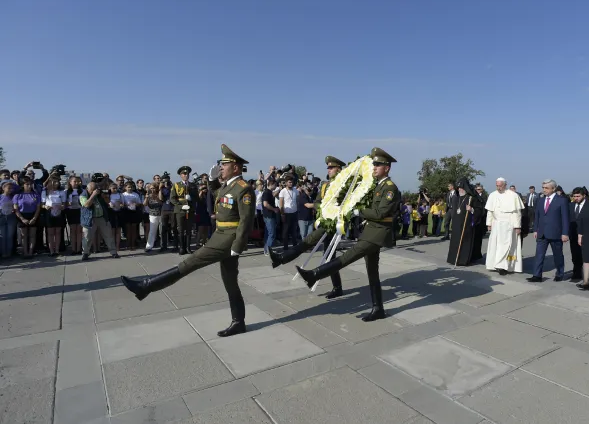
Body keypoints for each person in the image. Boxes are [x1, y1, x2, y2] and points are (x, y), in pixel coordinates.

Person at [121, 144, 255, 337]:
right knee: (230, 282)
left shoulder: (244, 188)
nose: (221, 167)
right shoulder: (228, 186)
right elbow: (216, 192)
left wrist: (238, 245)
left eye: (224, 165)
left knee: (190, 262)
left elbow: (246, 220)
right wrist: (211, 180)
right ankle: (239, 322)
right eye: (221, 164)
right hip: (221, 234)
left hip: (228, 238)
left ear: (235, 167)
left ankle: (146, 286)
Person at [295, 148, 399, 321]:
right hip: (371, 230)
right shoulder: (379, 186)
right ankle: (378, 308)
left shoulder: (390, 188)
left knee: (350, 256)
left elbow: (380, 213)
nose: (374, 167)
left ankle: (315, 275)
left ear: (387, 168)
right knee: (372, 272)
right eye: (374, 164)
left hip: (378, 233)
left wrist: (359, 211)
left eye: (378, 165)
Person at [270, 156, 347, 299]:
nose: (329, 170)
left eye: (331, 167)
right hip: (325, 221)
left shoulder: (344, 185)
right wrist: (324, 207)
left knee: (313, 244)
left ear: (339, 169)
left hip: (336, 224)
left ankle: (282, 258)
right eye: (328, 168)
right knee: (329, 256)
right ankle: (337, 287)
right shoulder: (325, 185)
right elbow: (317, 202)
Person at [530, 179, 570, 282]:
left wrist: (565, 233)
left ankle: (560, 274)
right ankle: (537, 275)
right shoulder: (540, 200)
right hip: (542, 232)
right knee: (539, 255)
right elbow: (537, 216)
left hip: (556, 233)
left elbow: (565, 218)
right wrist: (535, 229)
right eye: (543, 188)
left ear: (553, 188)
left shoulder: (562, 200)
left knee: (557, 255)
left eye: (546, 188)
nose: (544, 190)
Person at [485, 177, 524, 275]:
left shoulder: (513, 195)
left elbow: (517, 213)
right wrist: (489, 224)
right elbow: (490, 211)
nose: (498, 188)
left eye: (500, 186)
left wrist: (517, 226)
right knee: (495, 246)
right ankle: (494, 264)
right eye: (497, 186)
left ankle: (504, 266)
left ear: (505, 185)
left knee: (507, 246)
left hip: (509, 224)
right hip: (496, 224)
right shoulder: (492, 195)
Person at [446, 178, 483, 267]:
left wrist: (471, 209)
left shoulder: (471, 198)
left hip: (467, 224)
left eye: (461, 188)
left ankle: (463, 260)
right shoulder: (456, 198)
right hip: (456, 225)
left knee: (465, 242)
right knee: (455, 241)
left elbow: (480, 210)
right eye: (458, 188)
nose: (459, 189)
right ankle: (453, 258)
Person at [80, 181, 120, 261]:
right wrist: (93, 195)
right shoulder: (83, 195)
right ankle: (85, 253)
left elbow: (107, 202)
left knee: (108, 235)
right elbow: (86, 205)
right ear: (87, 189)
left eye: (95, 189)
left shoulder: (100, 194)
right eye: (92, 189)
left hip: (102, 217)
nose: (95, 191)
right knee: (87, 237)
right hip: (89, 219)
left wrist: (104, 196)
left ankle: (113, 252)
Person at [171, 166, 198, 254]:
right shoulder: (176, 185)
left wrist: (191, 198)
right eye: (184, 174)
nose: (186, 175)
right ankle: (182, 248)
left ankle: (188, 247)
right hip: (180, 211)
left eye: (187, 174)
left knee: (189, 229)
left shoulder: (193, 185)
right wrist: (180, 206)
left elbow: (197, 198)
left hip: (190, 210)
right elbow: (172, 198)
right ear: (180, 175)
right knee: (181, 229)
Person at [568, 187, 589, 282]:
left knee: (585, 254)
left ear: (584, 196)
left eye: (578, 196)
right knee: (575, 254)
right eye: (574, 196)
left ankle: (587, 273)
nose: (576, 198)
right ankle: (576, 272)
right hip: (573, 233)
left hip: (586, 234)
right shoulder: (570, 205)